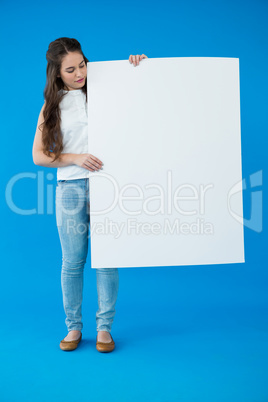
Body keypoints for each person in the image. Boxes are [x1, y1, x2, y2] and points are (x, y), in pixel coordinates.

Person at [32, 37, 148, 352]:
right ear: (57, 73)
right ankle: (73, 328)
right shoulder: (52, 105)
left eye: (82, 64)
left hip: (108, 185)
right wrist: (74, 157)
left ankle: (104, 329)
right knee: (72, 261)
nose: (80, 73)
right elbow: (39, 156)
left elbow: (143, 104)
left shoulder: (107, 91)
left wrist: (137, 69)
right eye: (70, 69)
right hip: (70, 187)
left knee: (107, 259)